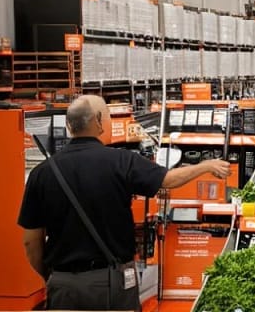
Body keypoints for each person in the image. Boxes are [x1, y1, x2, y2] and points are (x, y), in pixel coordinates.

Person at [18, 95, 231, 310]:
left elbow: (30, 242)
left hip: (64, 285)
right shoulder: (121, 161)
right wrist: (205, 166)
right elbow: (167, 180)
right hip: (112, 282)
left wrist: (54, 277)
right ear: (99, 121)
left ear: (69, 125)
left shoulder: (42, 173)